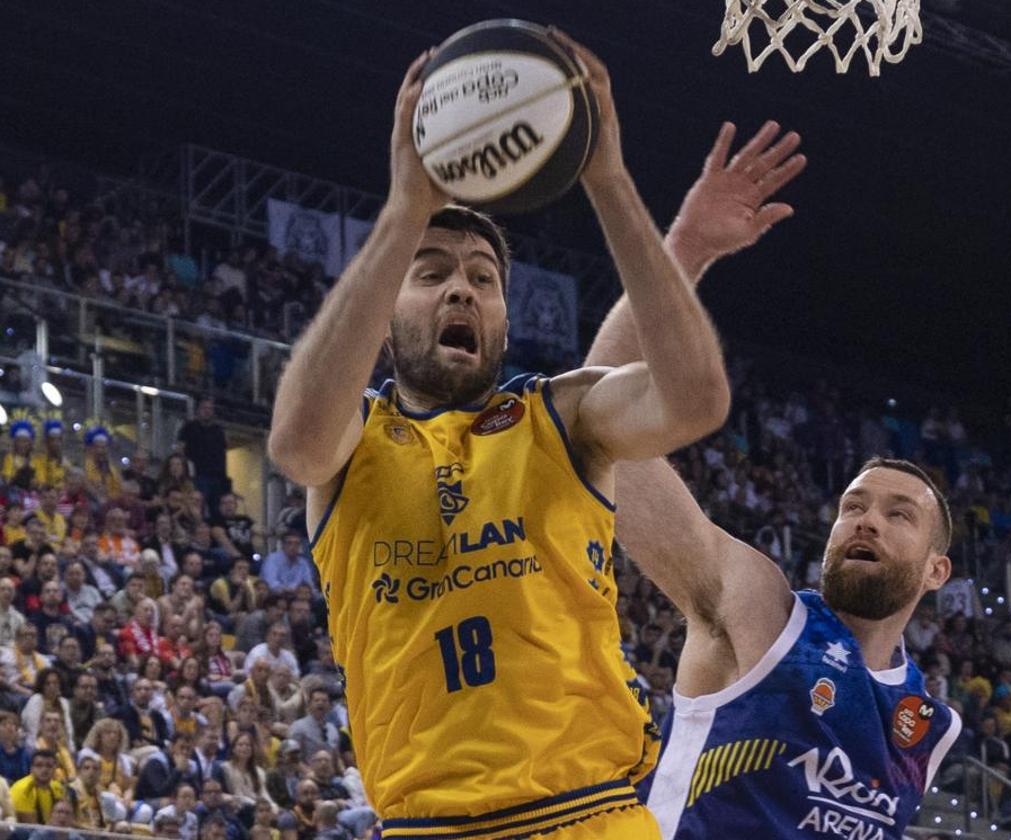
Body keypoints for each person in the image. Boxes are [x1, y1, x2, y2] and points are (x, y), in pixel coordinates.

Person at [268, 34, 732, 839]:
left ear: (505, 319)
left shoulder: (564, 415)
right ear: (386, 312)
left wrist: (609, 181)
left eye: (483, 279)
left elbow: (693, 398)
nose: (462, 287)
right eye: (432, 272)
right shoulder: (351, 442)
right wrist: (404, 207)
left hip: (586, 815)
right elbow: (297, 443)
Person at [577, 119, 958, 837]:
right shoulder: (761, 610)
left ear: (936, 570)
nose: (866, 520)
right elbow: (604, 430)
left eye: (898, 514)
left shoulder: (927, 725)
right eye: (852, 506)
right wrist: (685, 250)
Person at [9, 749, 66, 824]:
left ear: (55, 769)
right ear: (31, 768)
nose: (44, 769)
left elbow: (65, 818)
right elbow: (32, 827)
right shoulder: (23, 788)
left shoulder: (57, 787)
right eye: (39, 765)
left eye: (49, 766)